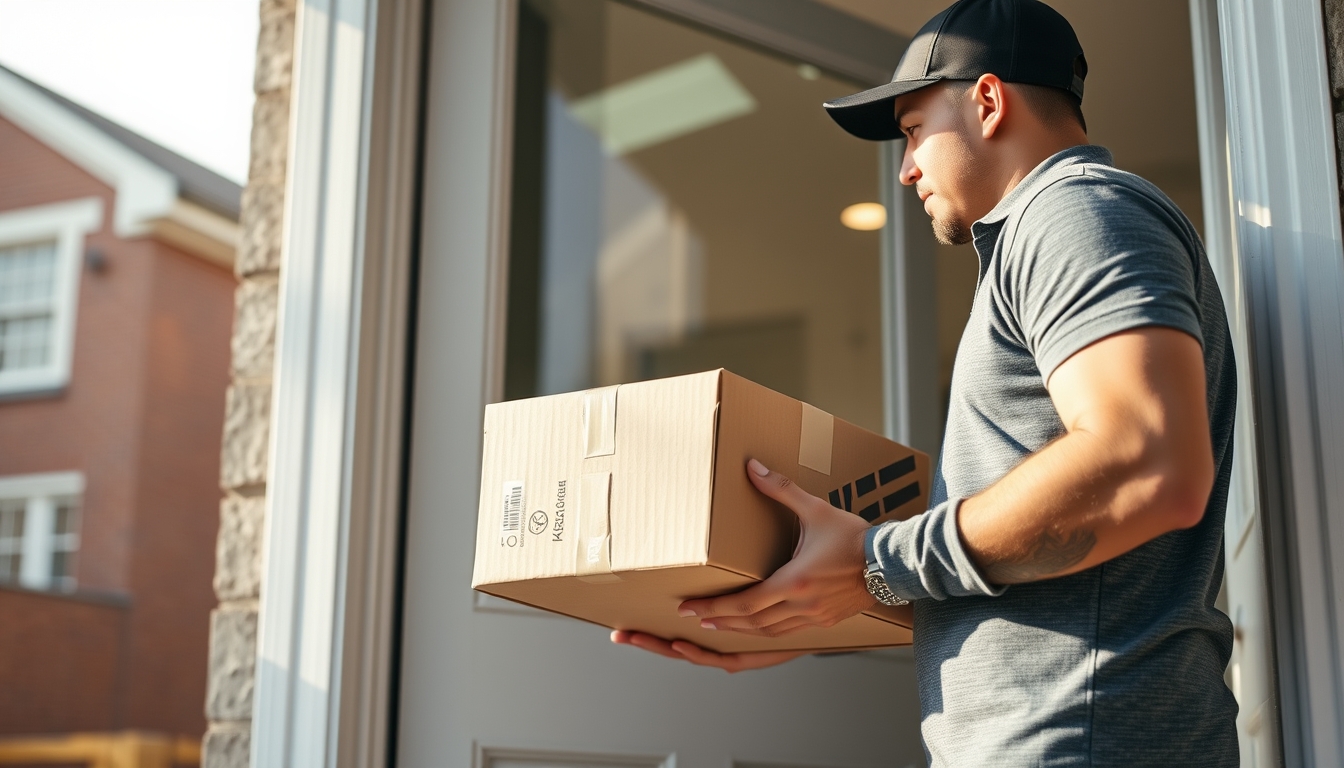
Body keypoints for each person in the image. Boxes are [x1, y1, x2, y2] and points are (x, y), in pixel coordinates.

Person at [611, 0, 1241, 765]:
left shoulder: (1074, 213)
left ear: (987, 99)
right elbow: (1053, 570)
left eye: (913, 131)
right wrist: (819, 605)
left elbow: (1148, 463)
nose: (906, 167)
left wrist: (878, 562)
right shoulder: (1052, 232)